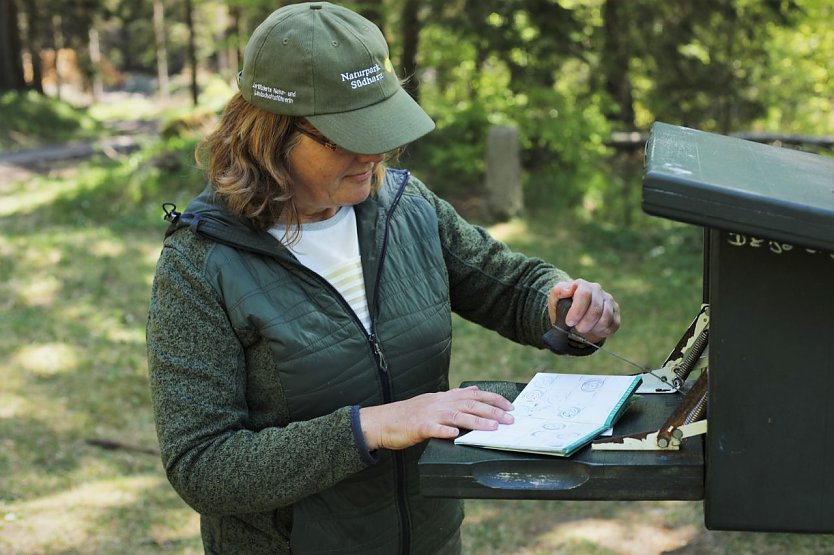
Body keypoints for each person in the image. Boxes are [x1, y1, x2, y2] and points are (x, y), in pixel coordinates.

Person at [146, 2, 620, 554]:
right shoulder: (201, 265)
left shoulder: (404, 204)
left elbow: (504, 284)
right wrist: (371, 426)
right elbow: (203, 466)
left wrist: (563, 304)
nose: (374, 154)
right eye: (347, 136)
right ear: (270, 133)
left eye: (381, 126)